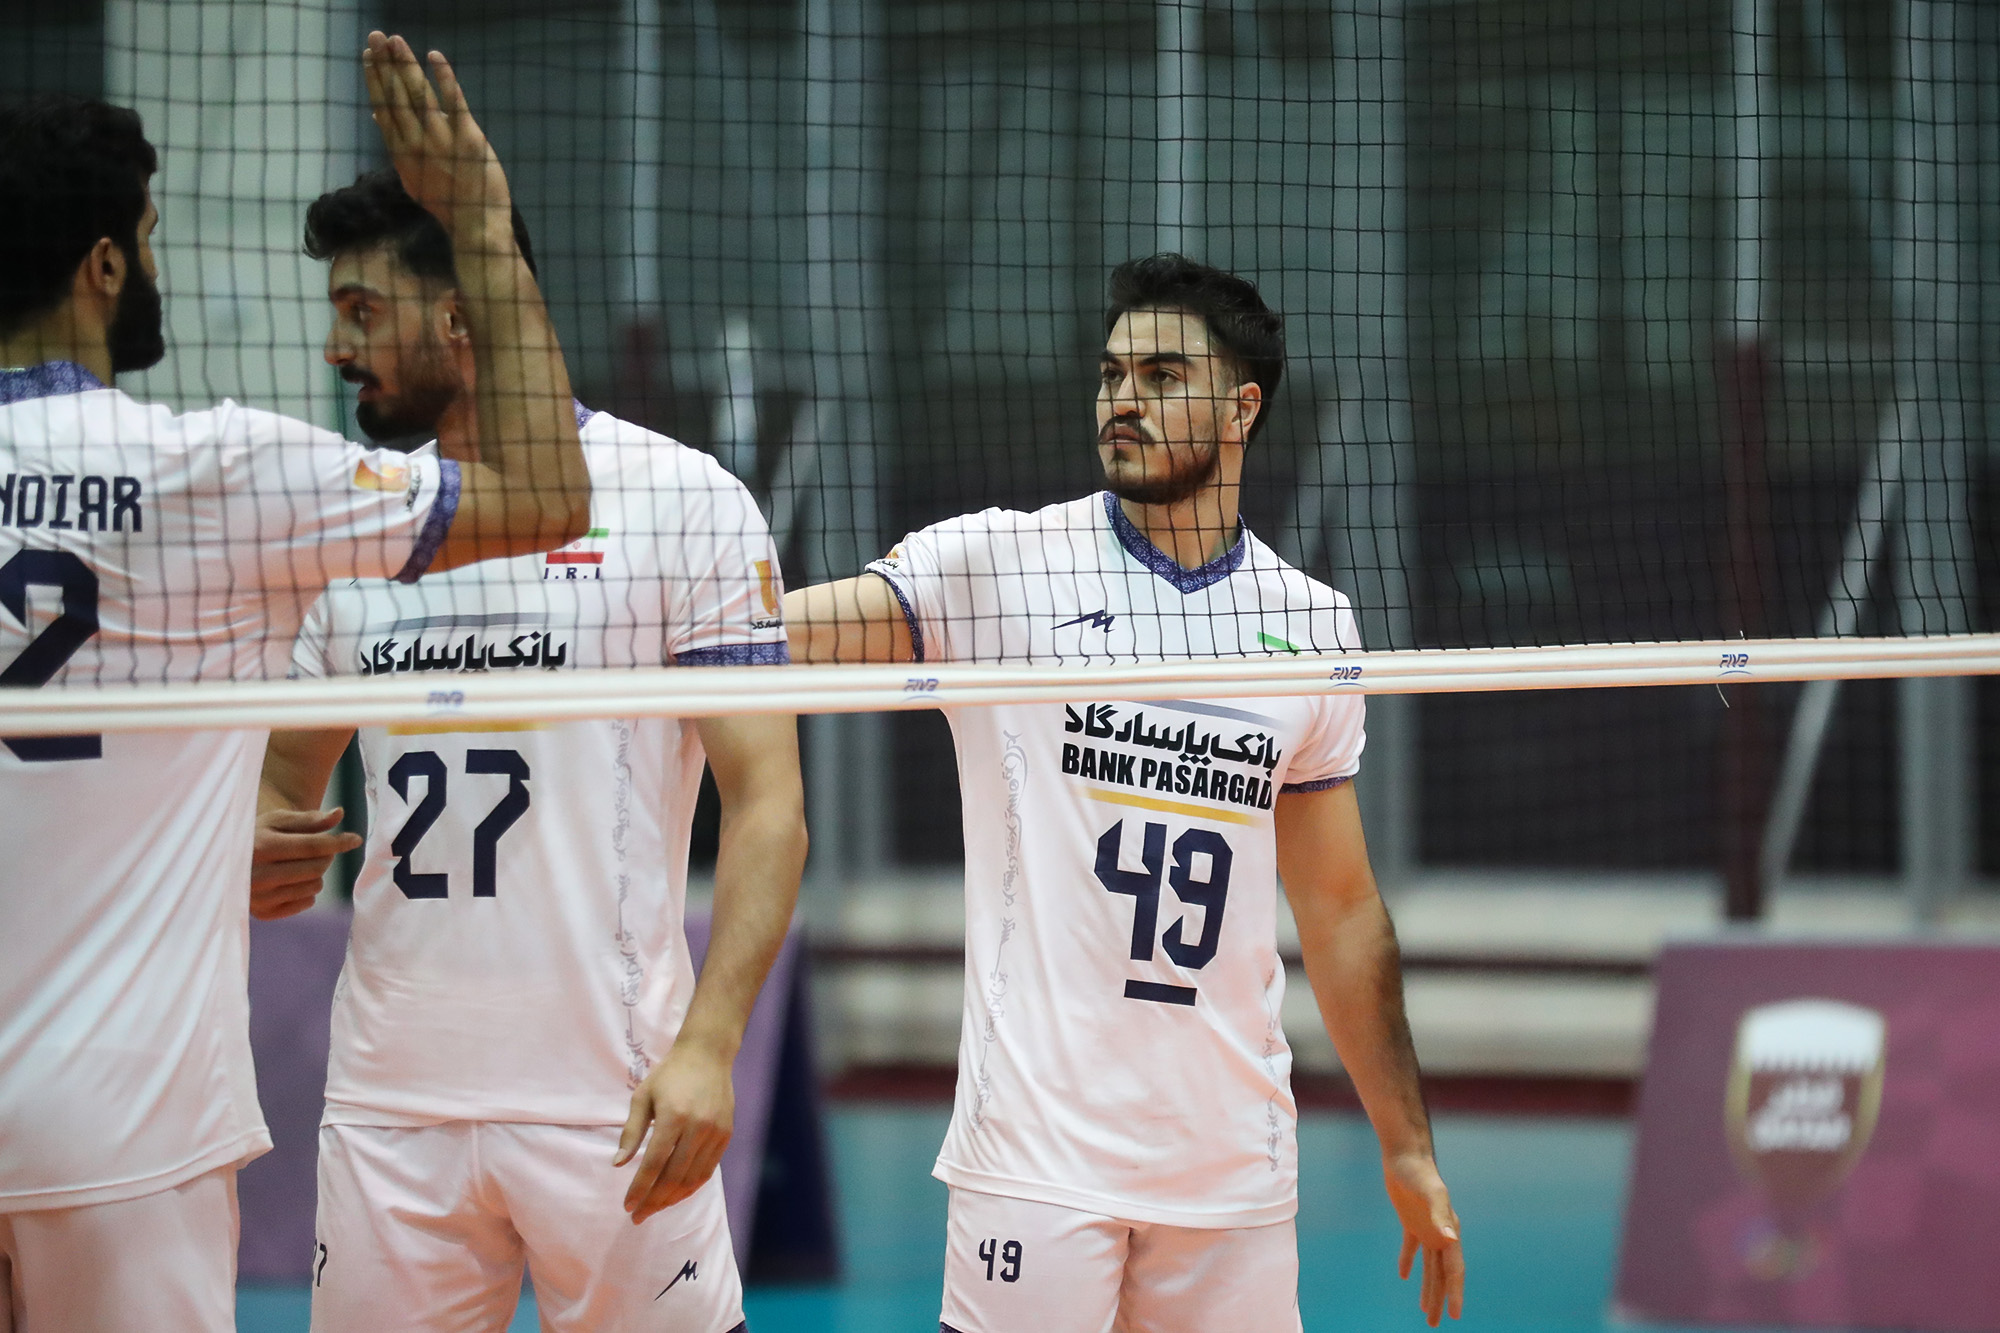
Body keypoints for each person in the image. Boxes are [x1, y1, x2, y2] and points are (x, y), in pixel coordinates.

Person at [0, 35, 590, 1330]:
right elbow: (549, 492)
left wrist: (211, 837)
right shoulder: (214, 471)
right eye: (147, 238)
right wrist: (478, 220)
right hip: (122, 1120)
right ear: (105, 266)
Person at [784, 254, 1465, 1332]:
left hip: (1230, 1165)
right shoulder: (998, 565)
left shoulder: (1313, 623)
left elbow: (1339, 910)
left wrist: (1408, 1145)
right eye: (1111, 375)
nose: (1122, 400)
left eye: (1161, 376)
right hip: (1037, 1156)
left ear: (1242, 409)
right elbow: (775, 636)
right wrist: (642, 616)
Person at [248, 165, 805, 1333]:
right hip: (393, 1102)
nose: (340, 347)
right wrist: (256, 848)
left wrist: (710, 1048)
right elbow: (282, 781)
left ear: (460, 316)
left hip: (615, 1095)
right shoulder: (358, 522)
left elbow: (767, 803)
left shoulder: (678, 498)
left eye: (364, 311)